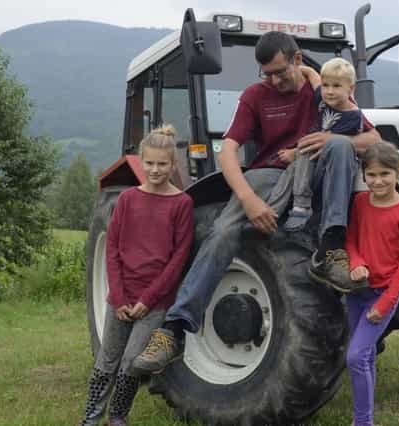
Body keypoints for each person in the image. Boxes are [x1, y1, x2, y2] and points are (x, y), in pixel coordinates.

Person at [131, 31, 380, 375]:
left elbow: (373, 139)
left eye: (280, 71)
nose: (274, 80)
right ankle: (173, 329)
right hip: (271, 174)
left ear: (297, 60)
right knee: (223, 229)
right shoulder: (256, 96)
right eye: (267, 74)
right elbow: (230, 149)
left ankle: (330, 251)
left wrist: (333, 137)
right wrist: (248, 199)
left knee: (340, 146)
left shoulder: (324, 91)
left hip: (321, 176)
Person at [79, 125, 194, 426]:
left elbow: (178, 258)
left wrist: (147, 299)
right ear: (141, 161)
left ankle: (118, 416)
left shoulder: (182, 204)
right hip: (122, 297)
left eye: (162, 164)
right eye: (150, 163)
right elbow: (113, 249)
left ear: (173, 165)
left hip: (154, 302)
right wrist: (118, 297)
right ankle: (90, 418)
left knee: (131, 362)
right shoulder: (128, 199)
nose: (155, 170)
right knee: (107, 360)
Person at [344, 141, 399, 426]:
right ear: (364, 175)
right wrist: (355, 263)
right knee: (365, 356)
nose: (378, 181)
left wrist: (385, 303)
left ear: (397, 173)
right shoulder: (360, 203)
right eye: (372, 175)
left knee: (354, 357)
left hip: (383, 295)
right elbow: (351, 240)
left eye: (385, 174)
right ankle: (367, 419)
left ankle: (362, 422)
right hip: (357, 292)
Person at [265, 58, 362, 233]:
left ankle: (302, 205)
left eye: (337, 86)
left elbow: (323, 144)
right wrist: (295, 70)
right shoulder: (324, 100)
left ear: (351, 89)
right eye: (326, 85)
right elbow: (314, 77)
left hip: (332, 167)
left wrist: (295, 152)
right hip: (310, 160)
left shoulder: (352, 116)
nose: (329, 91)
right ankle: (272, 211)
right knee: (291, 172)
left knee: (304, 150)